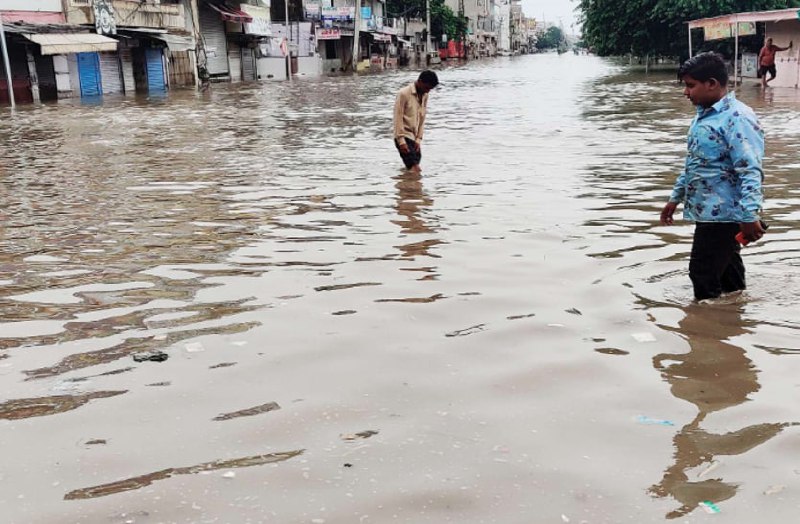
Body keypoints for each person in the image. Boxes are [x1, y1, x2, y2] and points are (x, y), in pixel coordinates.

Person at [660, 52, 765, 301]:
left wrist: (749, 215)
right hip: (706, 209)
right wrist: (676, 197)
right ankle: (734, 319)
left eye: (690, 85)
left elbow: (750, 170)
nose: (686, 93)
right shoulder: (704, 115)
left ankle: (706, 331)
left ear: (712, 84)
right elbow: (695, 162)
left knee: (702, 274)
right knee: (729, 275)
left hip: (724, 213)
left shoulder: (737, 118)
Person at [393, 70, 438, 173]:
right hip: (403, 135)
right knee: (416, 170)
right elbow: (397, 118)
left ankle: (406, 186)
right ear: (420, 81)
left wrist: (418, 139)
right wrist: (401, 141)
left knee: (413, 168)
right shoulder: (403, 94)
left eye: (430, 89)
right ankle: (412, 187)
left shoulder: (425, 95)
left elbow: (422, 118)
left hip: (414, 137)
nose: (428, 91)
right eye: (427, 88)